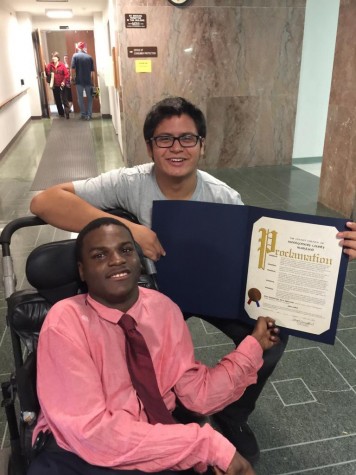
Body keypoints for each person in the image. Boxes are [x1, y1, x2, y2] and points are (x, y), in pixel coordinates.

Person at [30, 97, 356, 464]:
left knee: (273, 338)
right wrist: (131, 230)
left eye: (187, 138)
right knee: (133, 347)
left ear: (202, 144)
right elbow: (45, 201)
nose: (176, 148)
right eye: (164, 139)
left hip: (216, 290)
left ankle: (232, 416)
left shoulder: (223, 196)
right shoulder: (129, 182)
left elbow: (261, 257)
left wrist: (329, 250)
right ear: (150, 146)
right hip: (155, 298)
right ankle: (142, 411)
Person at [27, 217, 280, 475]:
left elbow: (195, 394)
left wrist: (253, 346)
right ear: (82, 270)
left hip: (152, 438)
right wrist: (205, 444)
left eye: (125, 250)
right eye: (100, 255)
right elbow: (91, 433)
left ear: (138, 259)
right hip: (80, 453)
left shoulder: (164, 309)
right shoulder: (65, 321)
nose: (116, 260)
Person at [71, 41, 95, 120]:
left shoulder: (75, 56)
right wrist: (93, 82)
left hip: (79, 81)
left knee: (80, 98)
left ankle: (83, 114)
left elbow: (73, 69)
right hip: (88, 81)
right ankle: (89, 114)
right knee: (90, 98)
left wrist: (72, 78)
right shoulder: (89, 57)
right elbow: (92, 72)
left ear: (78, 47)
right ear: (84, 47)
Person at [45, 52, 70, 119]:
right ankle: (61, 113)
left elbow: (67, 74)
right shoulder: (50, 65)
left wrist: (64, 81)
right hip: (55, 85)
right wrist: (44, 66)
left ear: (58, 58)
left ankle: (67, 113)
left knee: (64, 99)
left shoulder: (62, 65)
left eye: (55, 57)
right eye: (53, 57)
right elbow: (47, 72)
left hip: (62, 84)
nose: (53, 59)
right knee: (57, 99)